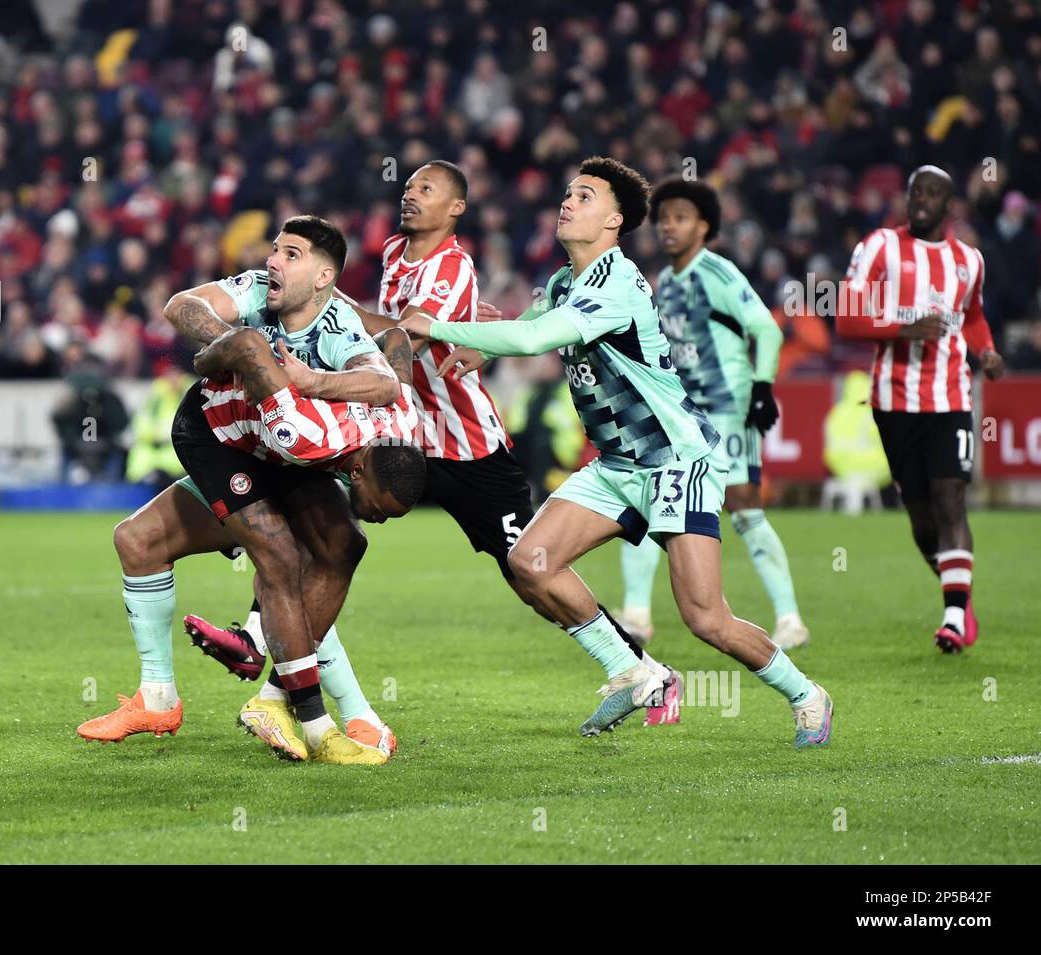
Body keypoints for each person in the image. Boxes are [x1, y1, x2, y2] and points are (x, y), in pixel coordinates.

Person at [187, 160, 681, 731]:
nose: (410, 195)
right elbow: (385, 329)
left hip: (465, 448)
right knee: (322, 531)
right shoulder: (397, 253)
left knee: (527, 570)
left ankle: (640, 669)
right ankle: (269, 663)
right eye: (407, 186)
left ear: (456, 209)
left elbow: (408, 339)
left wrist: (344, 313)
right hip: (399, 437)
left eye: (426, 188)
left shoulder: (451, 267)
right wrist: (351, 315)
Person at [401, 157, 833, 747]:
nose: (567, 202)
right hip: (617, 467)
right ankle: (634, 670)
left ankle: (806, 695)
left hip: (676, 460)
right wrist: (487, 351)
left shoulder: (619, 283)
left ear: (614, 220)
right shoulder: (562, 282)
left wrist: (440, 328)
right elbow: (530, 324)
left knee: (705, 618)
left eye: (584, 196)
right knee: (530, 561)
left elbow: (534, 337)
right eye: (568, 193)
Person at [78, 216, 423, 765]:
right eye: (276, 251)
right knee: (282, 558)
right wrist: (233, 348)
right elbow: (180, 308)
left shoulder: (345, 348)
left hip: (277, 441)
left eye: (290, 254)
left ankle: (170, 695)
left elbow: (389, 367)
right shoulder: (260, 300)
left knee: (334, 547)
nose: (273, 262)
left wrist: (310, 380)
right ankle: (313, 723)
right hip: (220, 436)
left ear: (323, 276)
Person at [617, 177, 810, 650]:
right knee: (654, 501)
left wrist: (763, 386)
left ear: (704, 227)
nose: (668, 227)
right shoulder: (665, 281)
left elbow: (766, 329)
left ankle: (789, 619)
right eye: (663, 219)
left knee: (744, 510)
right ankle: (637, 615)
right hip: (685, 415)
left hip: (729, 410)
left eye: (680, 218)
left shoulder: (718, 274)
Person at [837, 165, 1004, 653]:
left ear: (949, 204)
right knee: (920, 514)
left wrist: (986, 350)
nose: (921, 200)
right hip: (893, 399)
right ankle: (959, 589)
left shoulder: (969, 260)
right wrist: (902, 329)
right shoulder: (878, 247)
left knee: (951, 496)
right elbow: (846, 319)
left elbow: (972, 316)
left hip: (951, 396)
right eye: (915, 192)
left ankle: (953, 615)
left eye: (932, 194)